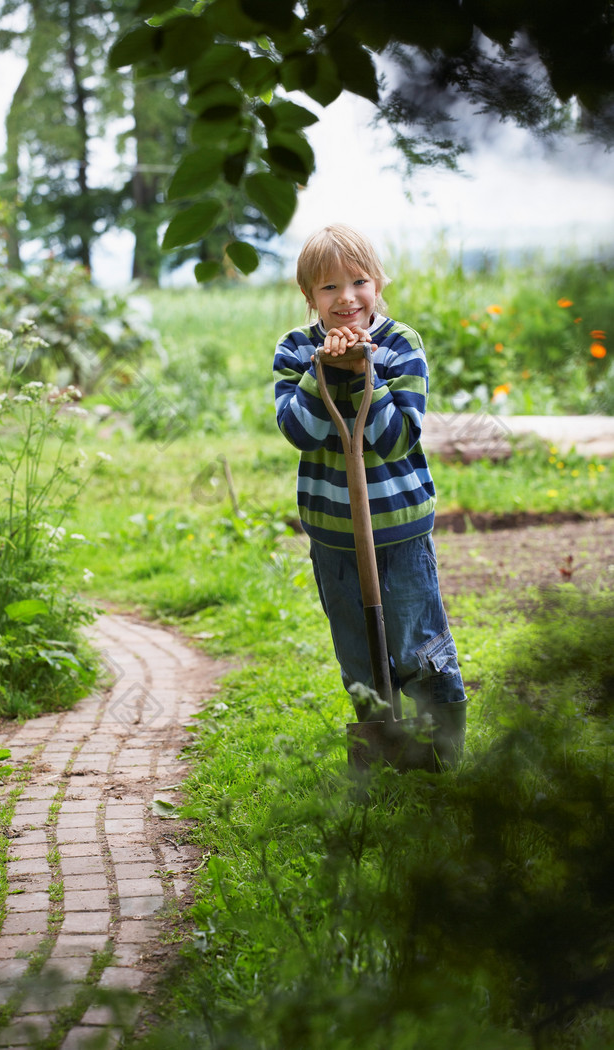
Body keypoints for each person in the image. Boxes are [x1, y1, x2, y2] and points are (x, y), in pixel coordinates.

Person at [273, 224, 466, 758]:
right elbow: (300, 432)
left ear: (378, 283)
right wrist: (322, 371)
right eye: (328, 287)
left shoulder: (402, 344)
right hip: (333, 534)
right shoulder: (294, 349)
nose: (346, 297)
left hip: (399, 527)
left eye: (358, 281)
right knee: (358, 650)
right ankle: (383, 744)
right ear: (309, 296)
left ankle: (439, 753)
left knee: (416, 644)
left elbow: (397, 439)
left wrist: (362, 372)